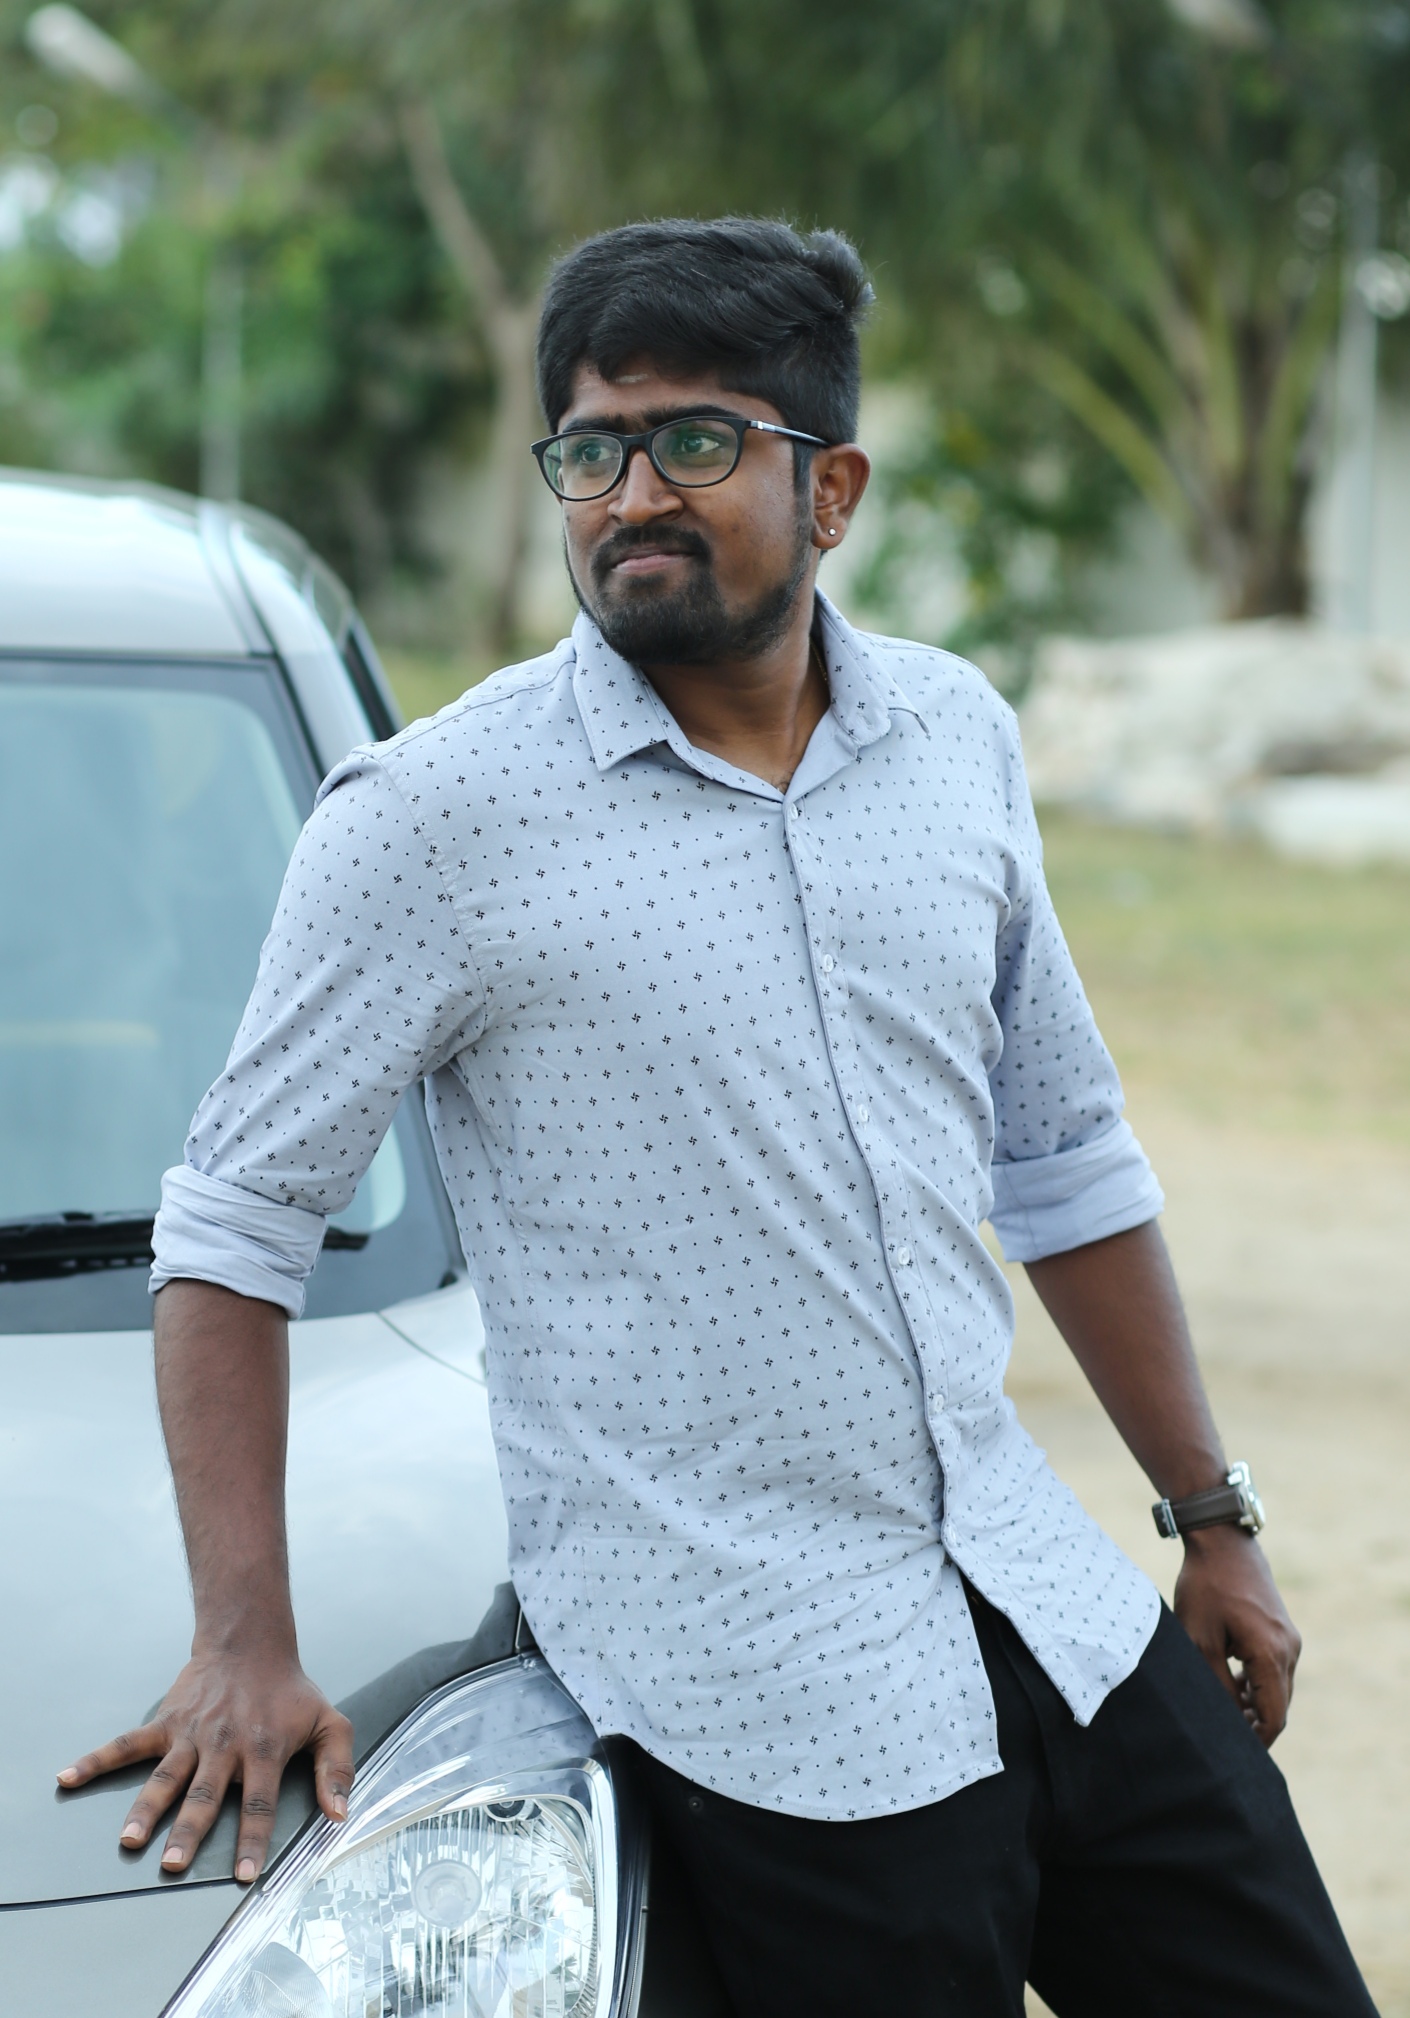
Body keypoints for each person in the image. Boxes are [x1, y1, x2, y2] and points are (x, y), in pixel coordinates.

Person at [61, 217, 1375, 2017]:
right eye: (591, 451)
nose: (631, 497)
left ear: (830, 487)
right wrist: (243, 1638)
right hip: (756, 1693)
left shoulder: (954, 741)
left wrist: (1209, 1517)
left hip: (1038, 1602)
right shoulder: (434, 819)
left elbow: (1062, 1156)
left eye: (692, 441)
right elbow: (233, 1223)